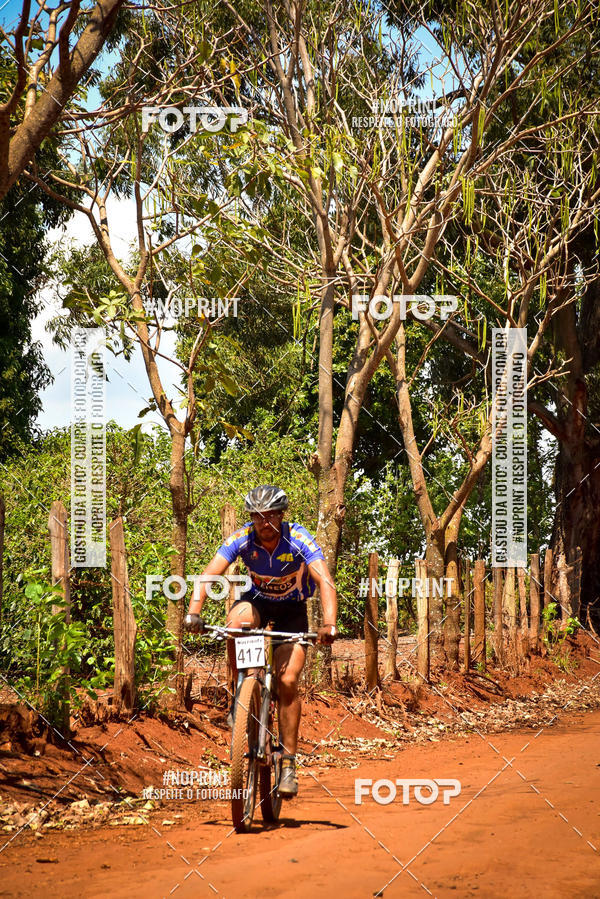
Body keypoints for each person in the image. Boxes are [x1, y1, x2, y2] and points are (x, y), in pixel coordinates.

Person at [184, 484, 338, 798]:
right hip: (257, 602)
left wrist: (329, 624)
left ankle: (288, 763)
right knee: (236, 623)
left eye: (270, 518)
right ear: (251, 519)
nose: (264, 525)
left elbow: (324, 581)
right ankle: (243, 690)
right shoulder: (242, 538)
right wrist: (193, 613)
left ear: (281, 516)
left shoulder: (298, 538)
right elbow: (209, 574)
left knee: (288, 679)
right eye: (258, 518)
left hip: (292, 611)